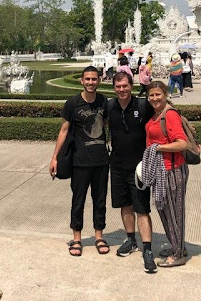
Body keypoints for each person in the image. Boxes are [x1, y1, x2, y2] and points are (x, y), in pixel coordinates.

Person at [49, 66, 110, 257]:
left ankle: (98, 235)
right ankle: (77, 238)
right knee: (78, 200)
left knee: (99, 200)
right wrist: (54, 158)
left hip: (101, 160)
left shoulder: (104, 102)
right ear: (81, 81)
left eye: (94, 79)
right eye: (88, 79)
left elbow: (109, 127)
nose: (91, 82)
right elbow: (64, 131)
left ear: (99, 80)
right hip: (80, 160)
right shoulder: (73, 103)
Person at [108, 72, 157, 273]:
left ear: (131, 85)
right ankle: (131, 240)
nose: (122, 90)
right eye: (118, 86)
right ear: (114, 88)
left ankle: (147, 249)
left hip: (140, 167)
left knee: (142, 208)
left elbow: (165, 113)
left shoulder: (143, 105)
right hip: (117, 165)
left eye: (125, 86)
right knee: (125, 205)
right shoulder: (109, 106)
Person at [144, 81, 190, 267]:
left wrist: (158, 148)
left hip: (172, 170)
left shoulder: (169, 115)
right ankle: (176, 246)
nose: (155, 98)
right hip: (162, 170)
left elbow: (182, 143)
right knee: (165, 209)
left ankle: (178, 254)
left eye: (158, 95)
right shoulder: (157, 114)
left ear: (165, 95)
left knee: (174, 212)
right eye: (151, 95)